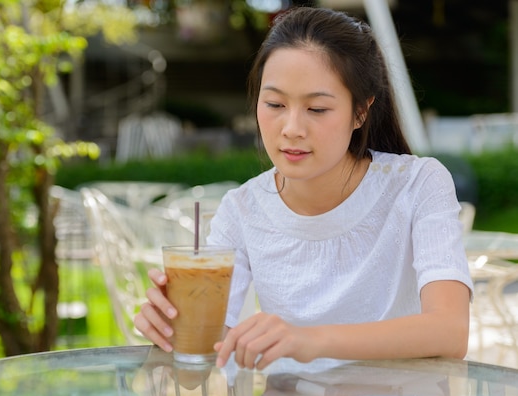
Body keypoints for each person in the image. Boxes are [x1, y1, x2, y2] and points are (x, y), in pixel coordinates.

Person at [134, 6, 473, 371]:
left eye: (317, 108)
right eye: (275, 104)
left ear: (361, 112)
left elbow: (450, 331)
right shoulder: (242, 210)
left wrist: (311, 340)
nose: (291, 128)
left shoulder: (417, 184)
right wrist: (173, 331)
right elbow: (200, 372)